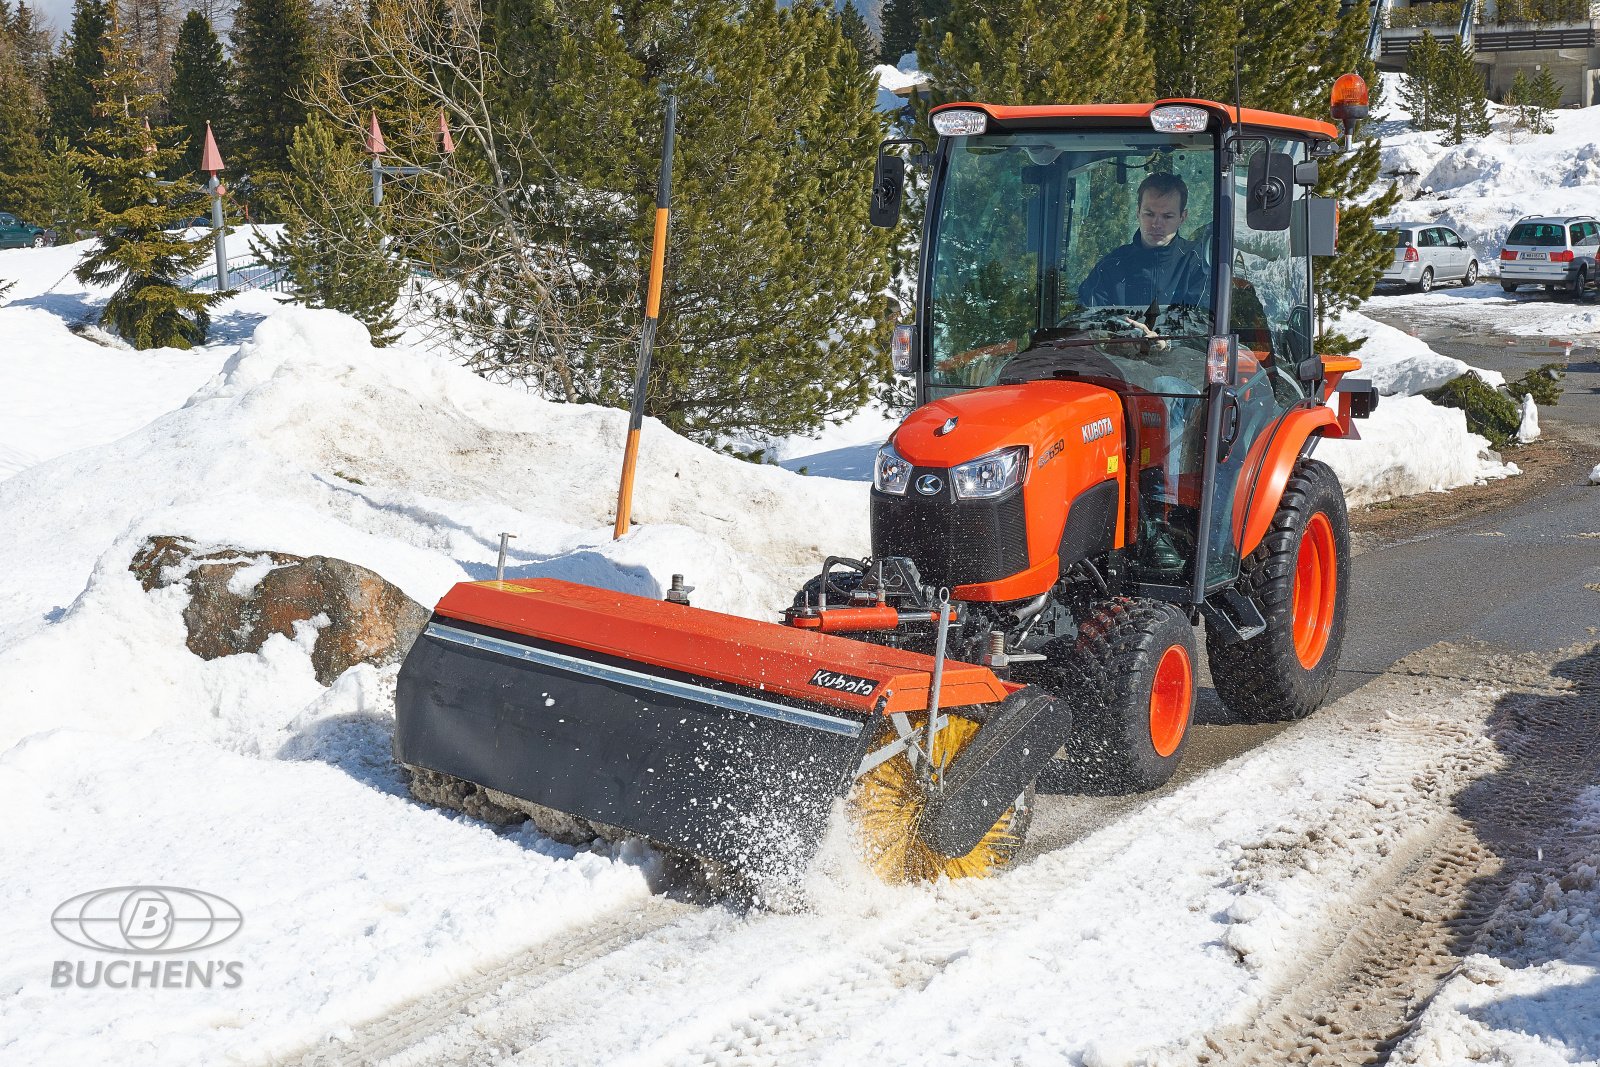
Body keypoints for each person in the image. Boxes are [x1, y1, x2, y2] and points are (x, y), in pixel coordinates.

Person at [1077, 172, 1209, 310]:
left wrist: (1162, 333)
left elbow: (1204, 322)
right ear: (1138, 212)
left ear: (1182, 217)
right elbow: (1085, 321)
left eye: (1167, 216)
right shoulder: (1110, 267)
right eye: (1149, 214)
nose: (1157, 224)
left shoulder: (1198, 264)